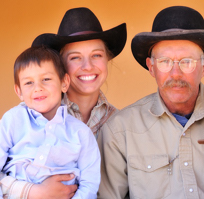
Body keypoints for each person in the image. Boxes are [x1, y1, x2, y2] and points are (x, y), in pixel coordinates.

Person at [98, 6, 204, 199]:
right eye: (165, 61)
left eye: (187, 61)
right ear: (151, 67)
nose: (175, 74)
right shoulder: (120, 131)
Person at [0, 7, 127, 199]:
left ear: (107, 59)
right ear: (60, 66)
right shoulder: (22, 118)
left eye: (97, 55)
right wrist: (32, 192)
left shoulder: (120, 125)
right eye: (75, 57)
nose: (88, 66)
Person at [0, 46, 100, 199]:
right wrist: (29, 192)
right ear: (19, 91)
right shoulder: (12, 120)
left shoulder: (80, 132)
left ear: (64, 83)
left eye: (46, 79)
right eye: (28, 83)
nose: (38, 88)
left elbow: (90, 183)